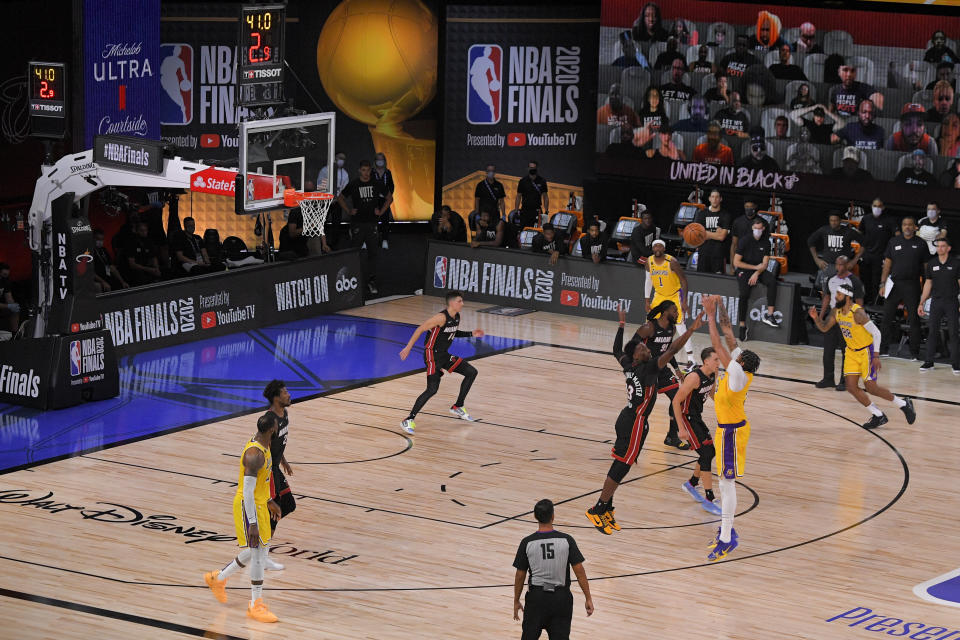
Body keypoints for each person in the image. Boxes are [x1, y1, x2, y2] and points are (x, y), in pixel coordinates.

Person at [584, 305, 703, 535]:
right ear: (638, 357)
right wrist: (690, 331)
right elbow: (672, 350)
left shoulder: (628, 365)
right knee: (622, 465)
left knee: (624, 464)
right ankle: (598, 508)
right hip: (634, 421)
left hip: (629, 418)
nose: (644, 348)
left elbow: (616, 350)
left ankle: (607, 506)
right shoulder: (648, 369)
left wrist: (620, 325)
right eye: (640, 348)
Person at [203, 412, 283, 623]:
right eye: (277, 424)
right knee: (258, 555)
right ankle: (255, 605)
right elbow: (247, 491)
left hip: (258, 503)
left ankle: (217, 579)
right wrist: (253, 523)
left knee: (259, 550)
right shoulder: (255, 454)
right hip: (248, 506)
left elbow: (260, 485)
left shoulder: (265, 445)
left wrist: (268, 500)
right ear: (272, 429)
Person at [700, 295, 761, 561]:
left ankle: (726, 536)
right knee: (725, 483)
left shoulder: (736, 374)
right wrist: (721, 306)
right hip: (726, 429)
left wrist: (709, 314)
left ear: (742, 364)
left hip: (732, 432)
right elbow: (728, 335)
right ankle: (726, 532)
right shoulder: (740, 366)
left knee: (727, 482)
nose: (734, 354)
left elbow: (717, 343)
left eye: (738, 356)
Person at [808, 286, 917, 429]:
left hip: (866, 351)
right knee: (851, 387)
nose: (836, 297)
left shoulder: (857, 313)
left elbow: (877, 333)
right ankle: (878, 415)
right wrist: (816, 318)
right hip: (851, 352)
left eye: (838, 294)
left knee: (871, 387)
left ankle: (903, 404)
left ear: (847, 297)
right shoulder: (836, 311)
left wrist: (876, 356)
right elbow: (824, 328)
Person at [398, 291, 484, 434]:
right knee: (432, 389)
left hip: (444, 355)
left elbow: (453, 332)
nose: (462, 304)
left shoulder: (456, 316)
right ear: (451, 303)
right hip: (432, 355)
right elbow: (420, 329)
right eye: (459, 301)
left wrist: (471, 334)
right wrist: (408, 348)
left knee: (471, 372)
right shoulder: (440, 317)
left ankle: (458, 406)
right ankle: (409, 419)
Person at [513, 499, 594, 640]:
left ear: (535, 516)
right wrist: (588, 597)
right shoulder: (567, 540)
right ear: (553, 516)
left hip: (536, 598)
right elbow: (580, 571)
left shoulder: (527, 542)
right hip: (561, 599)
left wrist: (516, 600)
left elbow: (520, 575)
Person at [675, 347, 722, 515]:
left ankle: (692, 483)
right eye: (716, 360)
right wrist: (680, 428)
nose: (719, 362)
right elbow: (675, 401)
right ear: (706, 361)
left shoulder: (713, 374)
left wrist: (724, 406)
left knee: (709, 452)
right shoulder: (694, 377)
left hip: (696, 417)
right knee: (707, 453)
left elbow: (711, 392)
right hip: (686, 417)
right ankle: (709, 498)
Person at [337, 160, 392, 296]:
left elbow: (389, 198)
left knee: (373, 254)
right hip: (357, 224)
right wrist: (349, 210)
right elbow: (340, 198)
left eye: (368, 170)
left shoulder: (376, 183)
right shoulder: (354, 184)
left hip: (372, 223)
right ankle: (351, 280)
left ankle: (371, 281)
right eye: (363, 170)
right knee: (354, 252)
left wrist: (381, 211)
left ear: (370, 171)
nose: (366, 173)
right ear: (359, 170)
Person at [878, 217, 928, 358]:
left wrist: (926, 289)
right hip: (894, 283)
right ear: (902, 226)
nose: (907, 227)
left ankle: (914, 353)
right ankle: (883, 349)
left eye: (910, 225)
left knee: (913, 319)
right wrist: (882, 283)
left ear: (915, 227)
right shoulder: (894, 242)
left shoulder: (921, 244)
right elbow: (887, 264)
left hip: (912, 284)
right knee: (887, 316)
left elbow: (926, 268)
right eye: (904, 224)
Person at [814, 255, 866, 390]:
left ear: (848, 265)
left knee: (847, 352)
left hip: (847, 318)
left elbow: (859, 301)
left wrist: (858, 318)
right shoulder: (831, 279)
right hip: (833, 315)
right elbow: (827, 297)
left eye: (842, 265)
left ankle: (845, 381)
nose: (839, 267)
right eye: (837, 264)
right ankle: (828, 378)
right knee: (828, 350)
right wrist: (820, 315)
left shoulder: (854, 281)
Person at [645, 239, 696, 367]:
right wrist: (647, 299)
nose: (657, 248)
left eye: (660, 246)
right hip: (659, 295)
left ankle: (691, 358)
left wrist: (684, 301)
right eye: (655, 246)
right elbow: (648, 281)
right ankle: (647, 353)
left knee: (680, 326)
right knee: (649, 324)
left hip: (674, 296)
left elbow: (684, 280)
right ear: (652, 249)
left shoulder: (672, 262)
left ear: (664, 249)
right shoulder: (649, 261)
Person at [262, 380, 295, 572]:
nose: (288, 394)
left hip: (276, 467)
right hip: (267, 470)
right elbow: (262, 448)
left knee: (288, 505)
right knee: (275, 512)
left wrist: (284, 461)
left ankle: (261, 545)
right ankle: (262, 555)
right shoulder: (269, 420)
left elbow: (278, 443)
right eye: (285, 392)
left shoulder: (285, 414)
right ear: (276, 397)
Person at [734, 218, 782, 338]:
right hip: (744, 269)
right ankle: (742, 325)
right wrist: (754, 268)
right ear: (752, 228)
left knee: (771, 281)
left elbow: (765, 264)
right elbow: (736, 262)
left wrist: (756, 273)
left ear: (763, 229)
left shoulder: (766, 242)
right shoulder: (744, 241)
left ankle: (769, 315)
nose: (757, 231)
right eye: (755, 228)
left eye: (759, 229)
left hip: (759, 270)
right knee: (744, 294)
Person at [919, 238, 960, 374]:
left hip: (951, 301)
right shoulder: (931, 264)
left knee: (953, 332)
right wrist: (922, 302)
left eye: (943, 246)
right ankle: (929, 362)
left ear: (948, 248)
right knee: (932, 331)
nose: (940, 249)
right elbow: (928, 284)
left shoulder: (956, 263)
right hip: (936, 301)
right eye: (938, 246)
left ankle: (956, 363)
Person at [859, 198, 899, 304]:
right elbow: (860, 233)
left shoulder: (889, 220)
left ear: (883, 207)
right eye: (875, 206)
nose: (877, 208)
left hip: (881, 256)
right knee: (865, 280)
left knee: (877, 281)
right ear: (871, 206)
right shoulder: (866, 218)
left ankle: (876, 303)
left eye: (879, 206)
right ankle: (866, 301)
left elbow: (897, 235)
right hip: (866, 255)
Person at [808, 212, 864, 277]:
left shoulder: (849, 231)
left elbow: (864, 243)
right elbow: (810, 241)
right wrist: (816, 259)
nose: (833, 223)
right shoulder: (824, 230)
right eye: (831, 220)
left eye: (835, 220)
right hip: (827, 265)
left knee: (842, 286)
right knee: (826, 286)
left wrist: (854, 261)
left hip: (844, 267)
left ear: (840, 221)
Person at [693, 189, 731, 274]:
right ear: (709, 198)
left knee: (717, 283)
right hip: (703, 253)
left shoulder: (725, 215)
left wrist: (706, 233)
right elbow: (698, 234)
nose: (714, 199)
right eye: (713, 197)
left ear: (721, 199)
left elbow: (721, 237)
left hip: (719, 255)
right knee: (702, 281)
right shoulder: (702, 213)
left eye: (717, 197)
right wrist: (716, 234)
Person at [317, 151, 350, 247]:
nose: (341, 160)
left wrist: (337, 198)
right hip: (326, 201)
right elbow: (320, 186)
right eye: (340, 158)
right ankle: (322, 243)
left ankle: (334, 245)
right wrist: (327, 197)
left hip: (338, 201)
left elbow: (345, 189)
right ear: (335, 158)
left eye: (343, 159)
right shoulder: (325, 170)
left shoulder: (345, 174)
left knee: (336, 223)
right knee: (323, 222)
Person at [729, 200, 769, 276]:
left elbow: (766, 245)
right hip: (741, 261)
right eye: (747, 207)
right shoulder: (737, 222)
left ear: (755, 207)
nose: (749, 209)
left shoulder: (763, 223)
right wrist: (731, 266)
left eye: (751, 207)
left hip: (757, 261)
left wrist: (760, 269)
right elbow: (734, 245)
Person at [122, 221, 162, 287]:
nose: (144, 232)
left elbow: (153, 257)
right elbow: (132, 264)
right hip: (136, 270)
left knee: (162, 273)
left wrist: (156, 269)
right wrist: (149, 269)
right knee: (140, 276)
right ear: (137, 231)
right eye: (141, 230)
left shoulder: (149, 241)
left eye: (145, 230)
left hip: (148, 268)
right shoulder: (131, 243)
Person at [373, 152, 395, 249]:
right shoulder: (371, 172)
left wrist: (388, 194)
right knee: (372, 220)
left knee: (385, 220)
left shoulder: (388, 172)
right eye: (378, 159)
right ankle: (370, 240)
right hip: (374, 200)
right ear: (375, 161)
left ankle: (384, 240)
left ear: (384, 161)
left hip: (385, 200)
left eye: (381, 159)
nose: (380, 161)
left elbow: (392, 185)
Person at [0, 263, 20, 333]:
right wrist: (8, 306)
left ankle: (15, 334)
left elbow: (9, 298)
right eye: (4, 274)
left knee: (15, 310)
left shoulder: (5, 282)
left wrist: (13, 305)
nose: (5, 276)